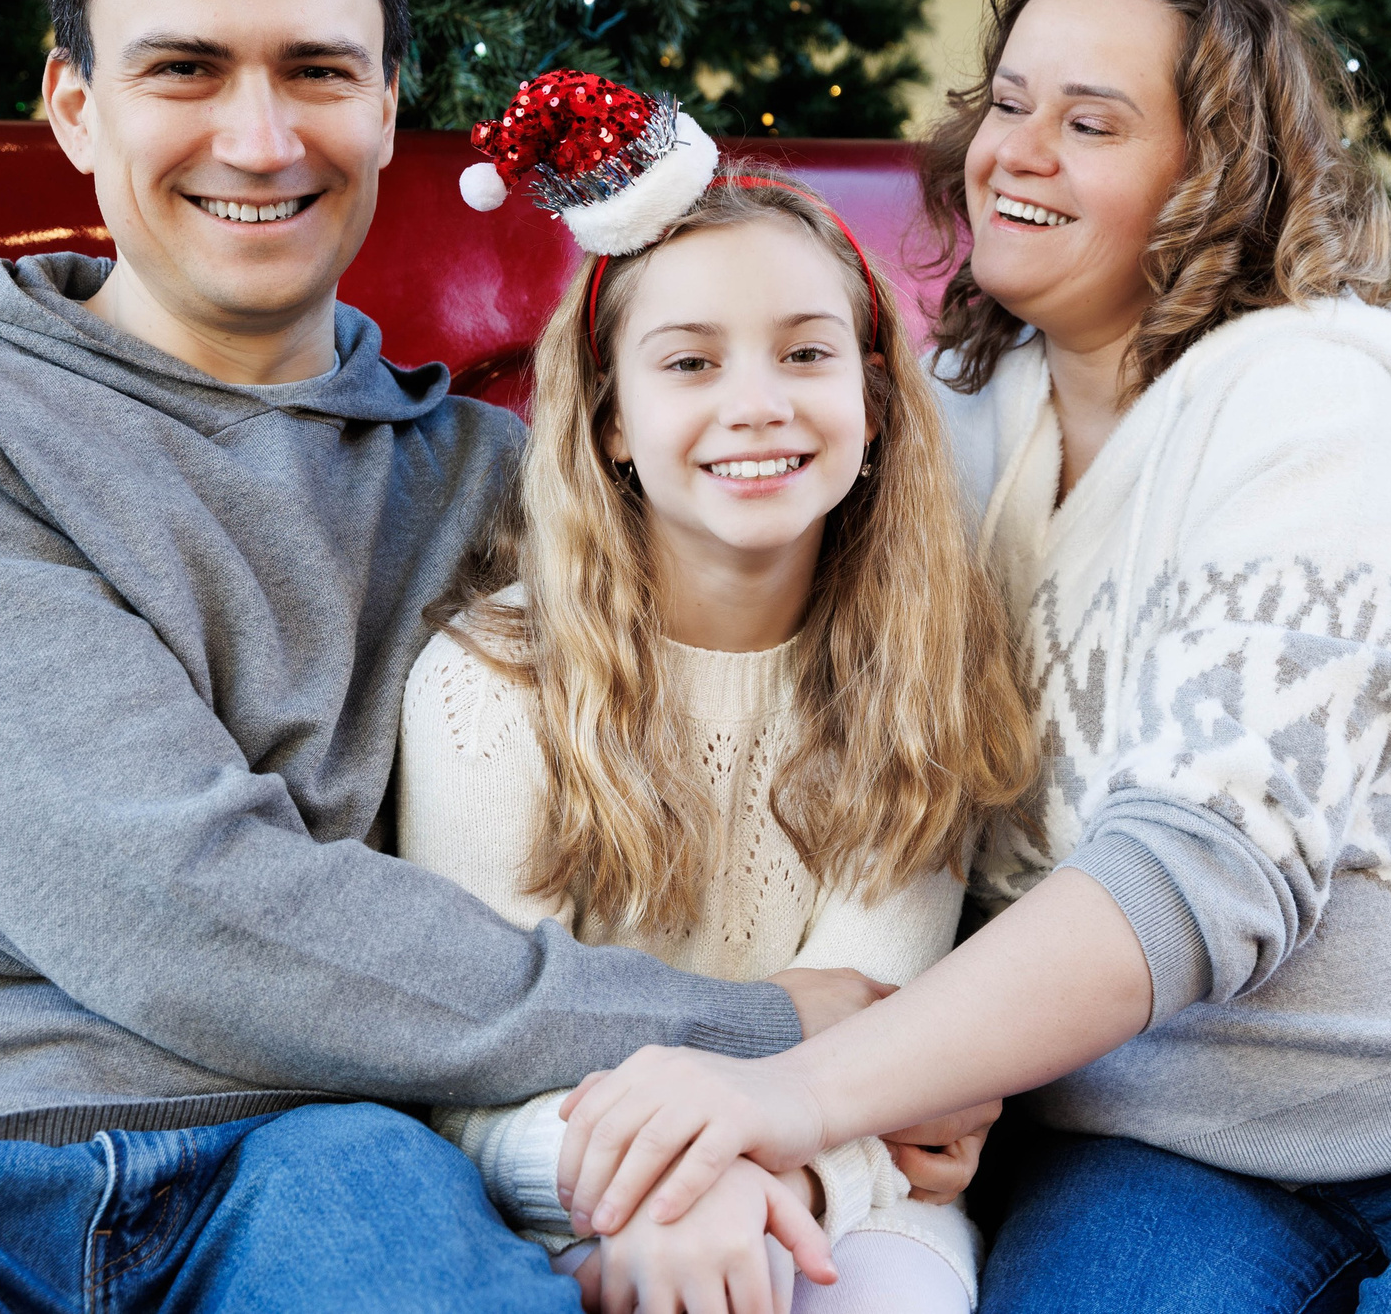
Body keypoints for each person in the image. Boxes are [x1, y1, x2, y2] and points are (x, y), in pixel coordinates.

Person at [0, 0, 879, 1312]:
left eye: (317, 71)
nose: (259, 138)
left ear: (390, 108)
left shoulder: (498, 484)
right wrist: (768, 1028)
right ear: (74, 103)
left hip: (313, 1149)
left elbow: (834, 621)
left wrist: (782, 1117)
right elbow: (168, 904)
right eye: (184, 69)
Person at [545, 0, 1391, 1314]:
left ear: (1215, 181)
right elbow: (821, 739)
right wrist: (935, 1069)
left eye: (1091, 123)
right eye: (1008, 103)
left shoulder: (1309, 401)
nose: (1019, 151)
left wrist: (802, 1089)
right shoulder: (953, 432)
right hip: (1170, 1134)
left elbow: (1205, 869)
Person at [398, 76, 1037, 1312]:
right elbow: (470, 1067)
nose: (757, 403)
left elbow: (886, 1055)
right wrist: (682, 1190)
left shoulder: (921, 667)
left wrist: (776, 1185)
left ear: (871, 396)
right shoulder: (491, 680)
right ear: (615, 420)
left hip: (834, 1188)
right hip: (564, 1184)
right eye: (689, 362)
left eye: (805, 353)